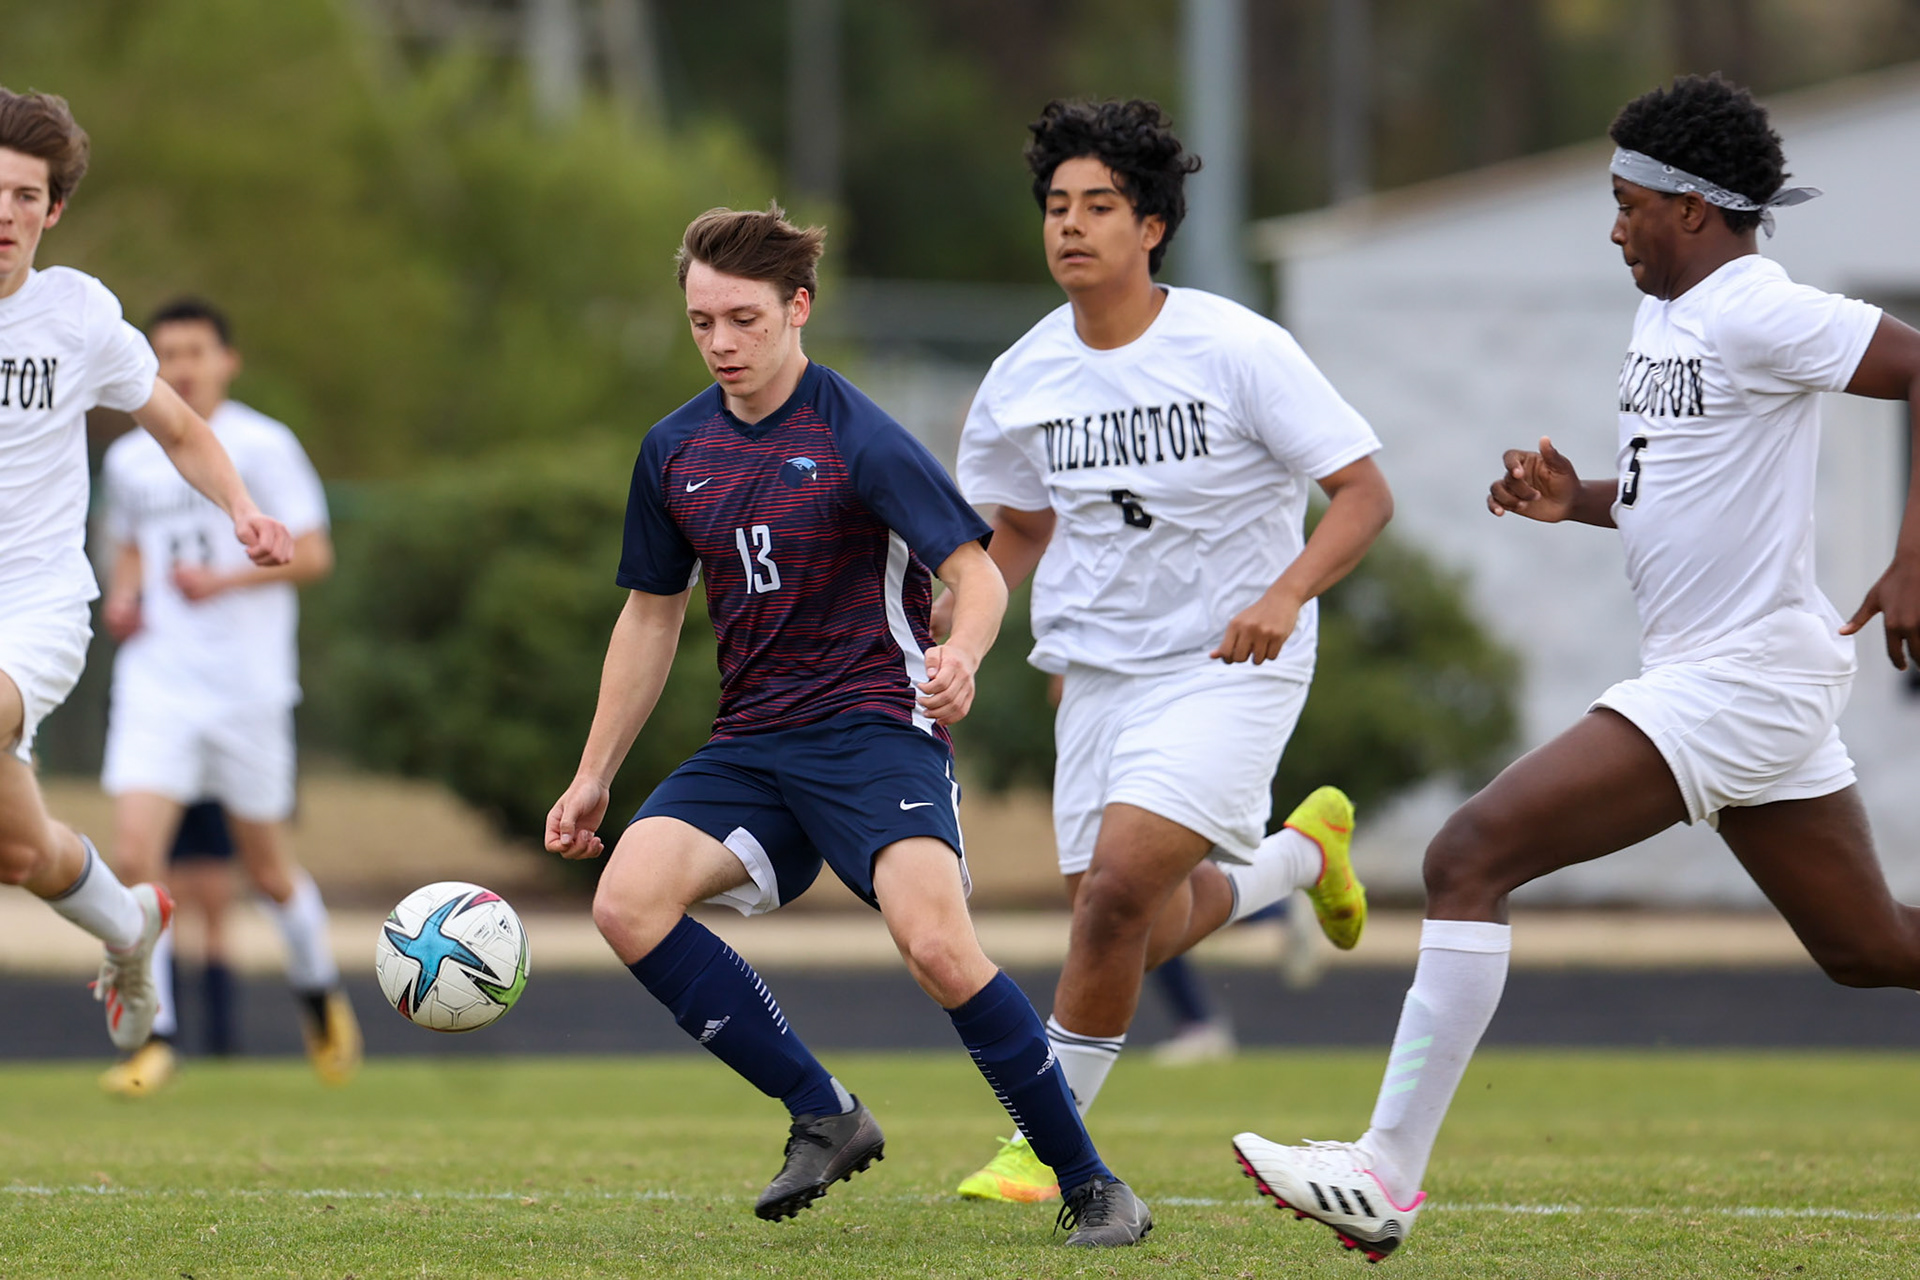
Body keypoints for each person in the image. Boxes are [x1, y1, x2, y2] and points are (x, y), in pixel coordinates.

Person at [1233, 73, 1920, 1263]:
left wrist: (1913, 557)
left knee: (1467, 854)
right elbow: (1685, 488)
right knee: (1869, 951)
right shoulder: (1669, 313)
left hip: (1739, 678)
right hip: (1748, 670)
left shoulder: (1759, 306)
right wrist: (1579, 500)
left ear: (1693, 210)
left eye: (1626, 203)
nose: (1613, 228)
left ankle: (1385, 1173)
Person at [544, 204, 1152, 1247]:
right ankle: (824, 1113)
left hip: (877, 730)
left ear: (798, 308)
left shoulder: (855, 433)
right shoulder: (674, 449)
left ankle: (1094, 1184)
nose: (723, 343)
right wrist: (596, 768)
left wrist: (958, 654)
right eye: (702, 323)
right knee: (627, 900)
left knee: (936, 945)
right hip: (752, 744)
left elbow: (975, 571)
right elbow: (650, 613)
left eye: (743, 318)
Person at [947, 98, 1394, 1204]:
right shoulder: (1023, 375)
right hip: (1093, 669)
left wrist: (1288, 591)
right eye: (1057, 205)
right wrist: (954, 638)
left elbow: (1363, 492)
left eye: (1099, 204)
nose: (1071, 225)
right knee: (1129, 923)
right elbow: (1017, 529)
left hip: (1231, 661)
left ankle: (1045, 1144)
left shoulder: (1235, 345)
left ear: (1151, 226)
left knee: (1112, 897)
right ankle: (1304, 854)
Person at [0, 89, 291, 1060]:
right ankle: (128, 925)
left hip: (34, 610)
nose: (5, 211)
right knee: (22, 851)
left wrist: (242, 508)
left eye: (25, 195)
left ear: (54, 212)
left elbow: (178, 426)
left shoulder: (77, 316)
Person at [95, 297, 359, 1097]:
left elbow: (314, 554)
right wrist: (125, 598)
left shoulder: (263, 444)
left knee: (270, 874)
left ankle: (317, 996)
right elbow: (131, 552)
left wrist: (227, 577)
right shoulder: (131, 458)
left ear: (227, 360)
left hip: (247, 690)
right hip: (159, 687)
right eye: (166, 352)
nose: (179, 367)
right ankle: (152, 1038)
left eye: (195, 352)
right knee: (137, 858)